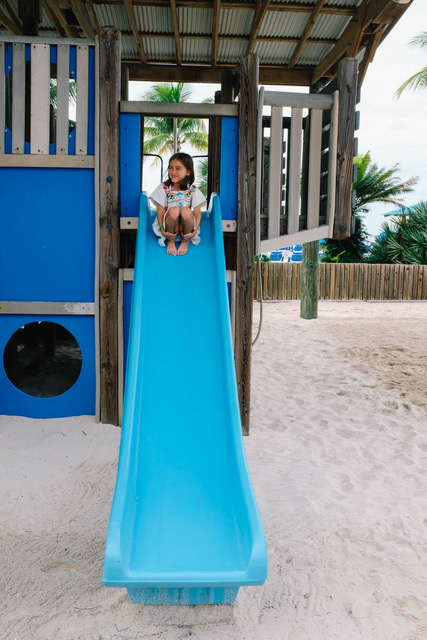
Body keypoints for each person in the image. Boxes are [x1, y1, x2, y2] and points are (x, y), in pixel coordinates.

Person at [149, 153, 206, 256]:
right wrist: (162, 230)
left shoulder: (192, 189)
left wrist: (194, 231)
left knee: (186, 211)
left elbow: (197, 213)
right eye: (170, 168)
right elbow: (160, 211)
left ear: (188, 172)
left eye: (178, 168)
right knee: (174, 210)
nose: (173, 172)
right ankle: (171, 240)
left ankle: (185, 241)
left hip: (185, 225)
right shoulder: (164, 188)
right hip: (170, 223)